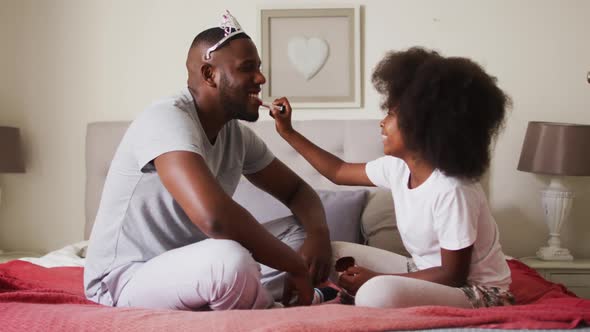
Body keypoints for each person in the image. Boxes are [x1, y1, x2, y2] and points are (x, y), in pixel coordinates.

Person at [83, 11, 332, 311]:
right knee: (230, 263)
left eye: (259, 68)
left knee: (305, 234)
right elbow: (213, 217)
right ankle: (273, 306)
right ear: (209, 74)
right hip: (125, 278)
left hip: (194, 264)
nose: (262, 78)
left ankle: (245, 295)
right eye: (247, 68)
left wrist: (318, 235)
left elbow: (298, 193)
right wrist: (293, 265)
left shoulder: (236, 135)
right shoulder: (165, 118)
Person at [269, 47, 514, 309]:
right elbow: (338, 171)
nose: (382, 123)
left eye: (392, 114)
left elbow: (453, 275)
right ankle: (314, 294)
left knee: (376, 293)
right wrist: (288, 132)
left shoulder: (453, 189)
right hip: (423, 271)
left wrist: (378, 279)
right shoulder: (397, 168)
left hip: (478, 292)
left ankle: (345, 294)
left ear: (422, 125)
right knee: (330, 253)